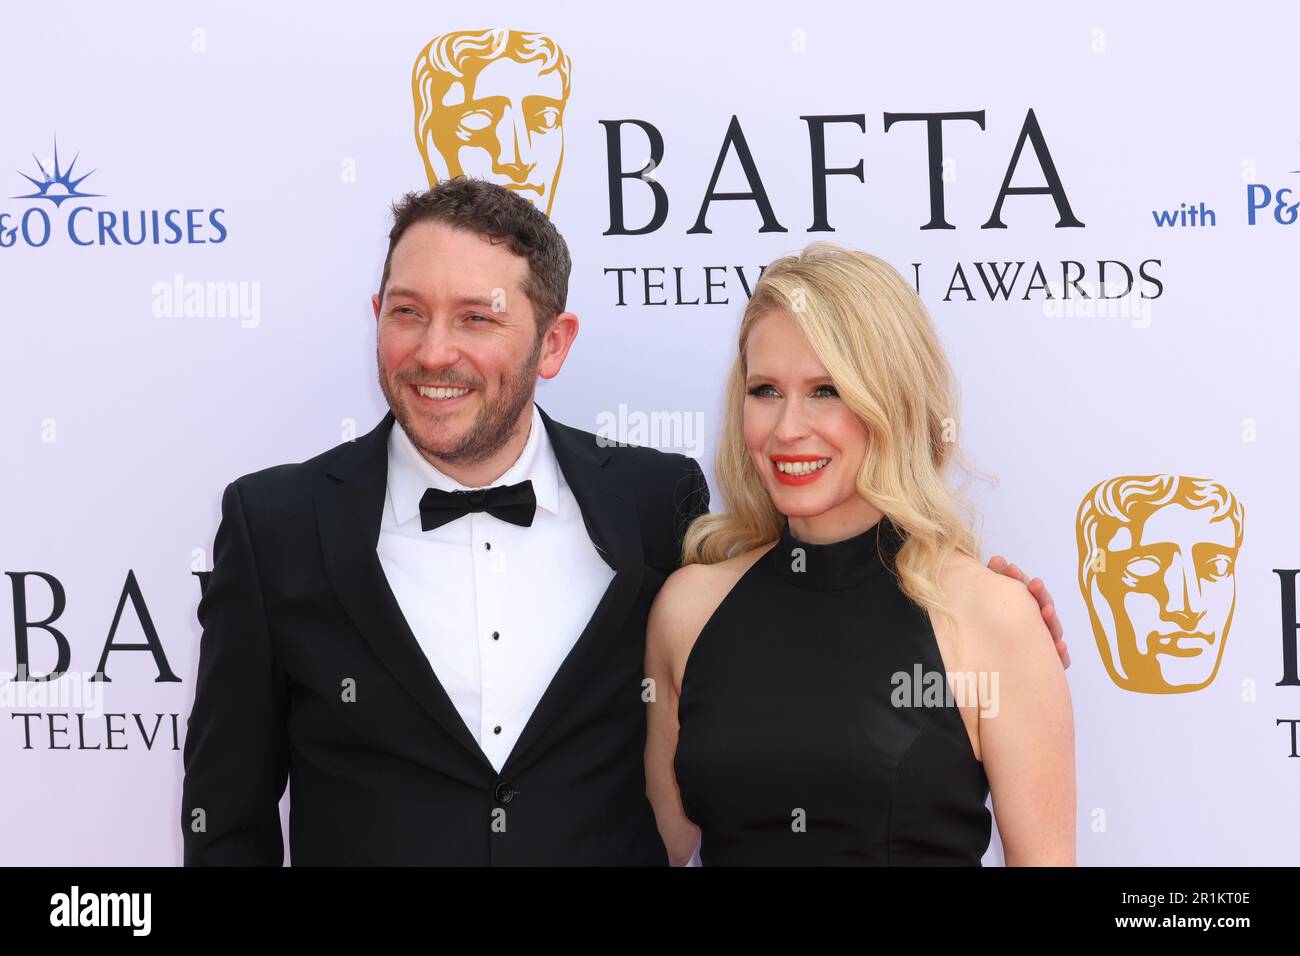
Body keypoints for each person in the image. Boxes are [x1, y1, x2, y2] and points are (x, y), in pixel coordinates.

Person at [182, 178, 1065, 865]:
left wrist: (995, 613)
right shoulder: (275, 525)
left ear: (553, 342)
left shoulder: (652, 507)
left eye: (477, 318)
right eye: (408, 312)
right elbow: (228, 821)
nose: (434, 351)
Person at [645, 243, 1076, 865]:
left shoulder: (993, 617)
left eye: (826, 390)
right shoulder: (688, 610)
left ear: (890, 401)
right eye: (766, 390)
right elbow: (651, 843)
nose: (788, 428)